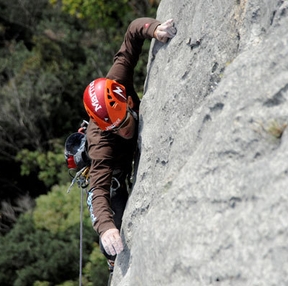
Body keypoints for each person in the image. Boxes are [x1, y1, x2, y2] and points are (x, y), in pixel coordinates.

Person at [82, 17, 176, 269]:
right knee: (117, 234)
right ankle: (113, 263)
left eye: (124, 122)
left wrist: (154, 29)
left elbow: (134, 33)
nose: (124, 132)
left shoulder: (118, 81)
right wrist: (106, 229)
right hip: (116, 170)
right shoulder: (101, 144)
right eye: (115, 129)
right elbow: (98, 190)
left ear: (128, 102)